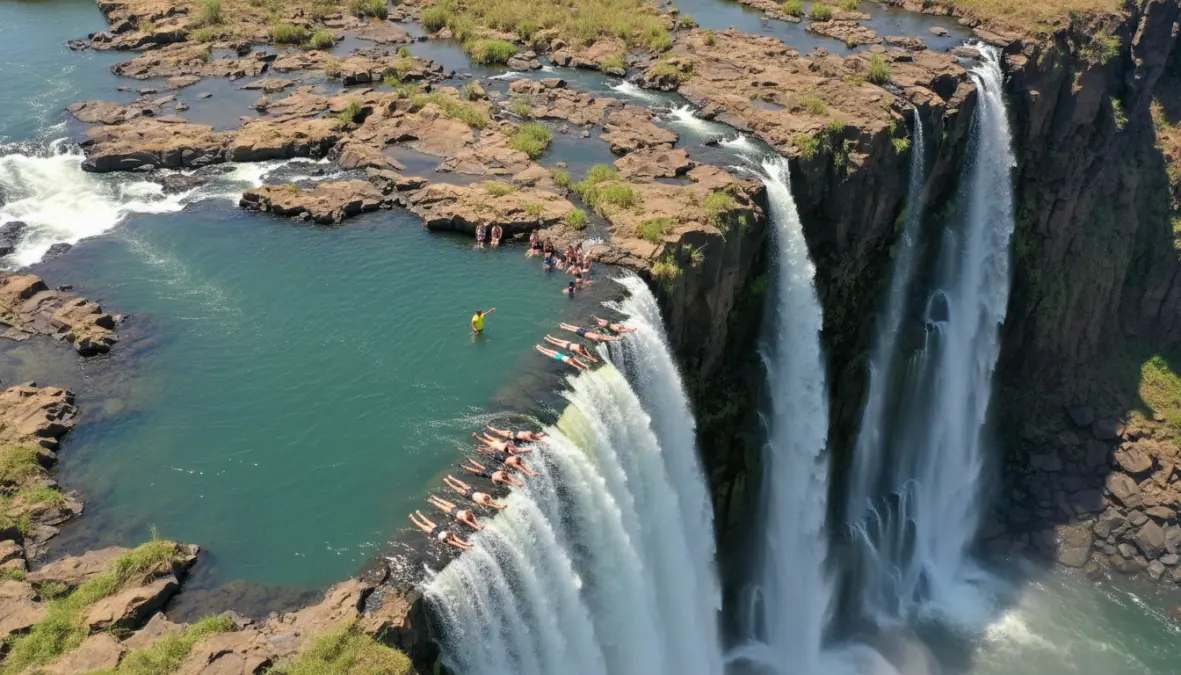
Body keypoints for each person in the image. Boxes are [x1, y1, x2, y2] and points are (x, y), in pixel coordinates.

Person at [474, 445, 540, 476]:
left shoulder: (515, 463)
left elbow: (522, 469)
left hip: (503, 459)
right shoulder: (517, 458)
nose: (519, 459)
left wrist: (530, 473)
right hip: (505, 456)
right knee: (493, 452)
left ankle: (480, 449)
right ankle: (481, 449)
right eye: (519, 459)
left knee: (492, 453)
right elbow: (513, 452)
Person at [559, 322, 623, 342]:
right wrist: (617, 339)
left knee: (575, 330)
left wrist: (616, 339)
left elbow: (609, 338)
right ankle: (565, 325)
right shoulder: (602, 336)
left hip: (585, 334)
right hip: (586, 332)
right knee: (577, 328)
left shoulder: (601, 337)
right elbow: (609, 337)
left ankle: (564, 327)